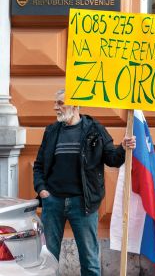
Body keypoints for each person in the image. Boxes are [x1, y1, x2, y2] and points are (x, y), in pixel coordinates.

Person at [33, 89, 135, 276]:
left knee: (89, 260)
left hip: (83, 204)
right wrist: (41, 190)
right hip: (53, 202)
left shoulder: (95, 129)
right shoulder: (51, 131)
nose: (56, 107)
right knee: (47, 259)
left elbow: (112, 159)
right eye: (55, 102)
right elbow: (39, 165)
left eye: (60, 103)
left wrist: (123, 148)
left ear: (75, 104)